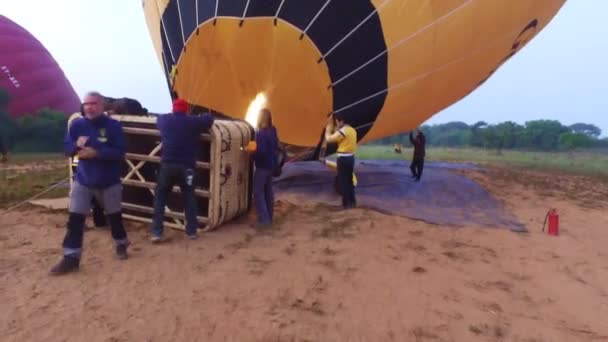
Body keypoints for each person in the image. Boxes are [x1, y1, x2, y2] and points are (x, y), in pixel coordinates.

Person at [50, 91, 130, 275]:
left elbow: (120, 151)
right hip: (84, 180)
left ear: (102, 106)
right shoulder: (77, 125)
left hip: (109, 180)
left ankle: (121, 243)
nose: (89, 107)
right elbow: (67, 148)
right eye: (86, 104)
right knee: (75, 220)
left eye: (93, 103)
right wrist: (75, 149)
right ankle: (71, 258)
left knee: (114, 218)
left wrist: (97, 153)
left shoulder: (113, 126)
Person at [150, 98, 214, 242]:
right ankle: (191, 231)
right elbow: (209, 119)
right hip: (187, 168)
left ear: (173, 109)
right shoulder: (193, 122)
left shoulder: (165, 121)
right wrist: (198, 116)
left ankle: (157, 232)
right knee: (189, 198)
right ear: (186, 110)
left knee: (160, 199)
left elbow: (158, 119)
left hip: (167, 167)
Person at [246, 108, 279, 227]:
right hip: (271, 165)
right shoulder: (273, 130)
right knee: (268, 191)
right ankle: (269, 217)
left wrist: (252, 152)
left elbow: (261, 152)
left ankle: (264, 220)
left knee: (258, 192)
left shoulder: (261, 134)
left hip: (262, 167)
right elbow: (275, 147)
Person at [324, 113, 357, 209]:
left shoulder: (343, 131)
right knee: (349, 180)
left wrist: (327, 129)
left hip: (343, 159)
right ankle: (352, 202)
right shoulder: (352, 130)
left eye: (337, 122)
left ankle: (346, 204)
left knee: (343, 181)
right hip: (351, 158)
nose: (337, 124)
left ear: (341, 121)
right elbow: (338, 134)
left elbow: (329, 139)